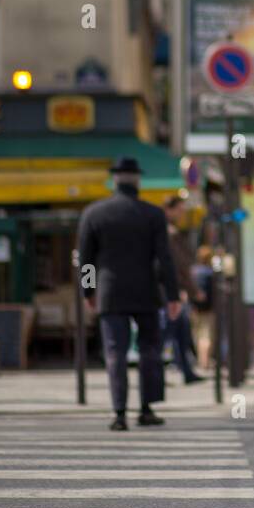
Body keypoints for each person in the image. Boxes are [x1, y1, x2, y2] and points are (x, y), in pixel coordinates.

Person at [77, 157, 180, 431]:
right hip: (146, 291)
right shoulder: (153, 214)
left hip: (110, 293)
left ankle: (119, 413)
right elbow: (165, 258)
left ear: (114, 180)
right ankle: (146, 409)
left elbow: (86, 260)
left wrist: (88, 290)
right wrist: (173, 295)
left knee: (115, 352)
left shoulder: (93, 213)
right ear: (138, 180)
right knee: (150, 350)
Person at [164, 196, 204, 384]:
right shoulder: (170, 234)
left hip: (172, 289)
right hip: (172, 291)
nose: (182, 214)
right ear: (169, 209)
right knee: (171, 331)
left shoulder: (170, 232)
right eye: (179, 210)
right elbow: (178, 266)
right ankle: (179, 370)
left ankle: (186, 370)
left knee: (180, 331)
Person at [190, 244, 217, 372]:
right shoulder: (210, 273)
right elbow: (213, 293)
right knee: (206, 336)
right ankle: (205, 361)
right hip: (208, 309)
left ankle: (201, 361)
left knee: (197, 335)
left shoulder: (193, 271)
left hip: (194, 309)